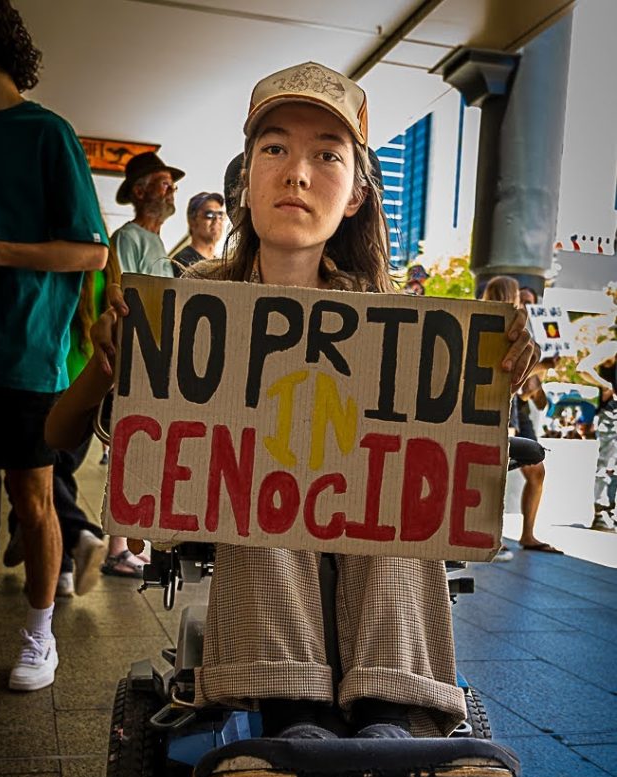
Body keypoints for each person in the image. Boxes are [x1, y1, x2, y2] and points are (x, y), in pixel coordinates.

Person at [47, 61, 539, 739]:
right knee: (268, 484)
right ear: (246, 179)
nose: (297, 173)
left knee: (389, 489)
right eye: (274, 148)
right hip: (249, 524)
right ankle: (289, 712)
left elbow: (449, 432)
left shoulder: (401, 327)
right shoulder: (183, 311)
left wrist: (503, 361)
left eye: (326, 155)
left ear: (358, 194)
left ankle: (393, 712)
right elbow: (57, 431)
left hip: (366, 529)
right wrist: (107, 364)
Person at [0, 0, 108, 690]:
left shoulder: (45, 133)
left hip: (22, 353)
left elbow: (89, 254)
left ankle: (40, 638)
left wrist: (1, 251)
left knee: (33, 497)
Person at [104, 151, 185, 578]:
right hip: (136, 357)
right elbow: (128, 298)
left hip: (153, 358)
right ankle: (119, 546)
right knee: (128, 447)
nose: (170, 190)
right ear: (139, 192)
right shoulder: (129, 237)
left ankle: (132, 543)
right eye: (162, 182)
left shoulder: (155, 242)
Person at [482, 276, 562, 557]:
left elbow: (526, 390)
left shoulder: (522, 328)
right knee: (494, 474)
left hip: (517, 409)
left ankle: (526, 534)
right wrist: (543, 366)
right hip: (500, 408)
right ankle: (492, 535)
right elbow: (505, 369)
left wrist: (542, 369)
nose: (527, 304)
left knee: (534, 470)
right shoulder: (496, 325)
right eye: (522, 298)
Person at [577, 338, 617, 531]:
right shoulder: (613, 347)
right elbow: (583, 368)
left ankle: (611, 513)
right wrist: (608, 385)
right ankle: (601, 512)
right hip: (612, 413)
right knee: (608, 464)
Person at [173, 191, 225, 274]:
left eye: (220, 215)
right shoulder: (182, 262)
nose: (217, 220)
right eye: (209, 214)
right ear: (192, 221)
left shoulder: (220, 264)